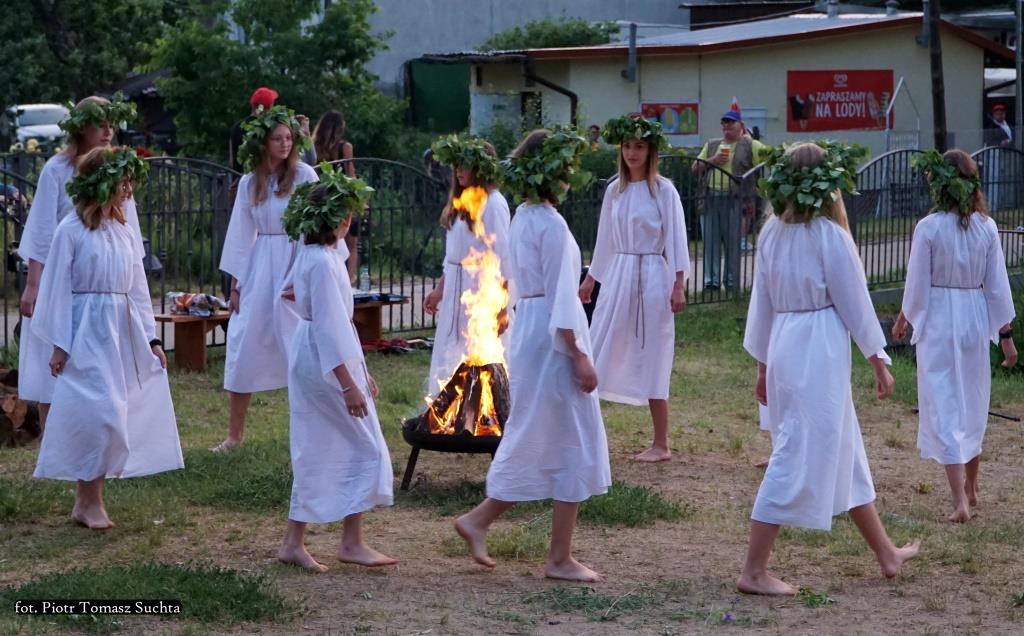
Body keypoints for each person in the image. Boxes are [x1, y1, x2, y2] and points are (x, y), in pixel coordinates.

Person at [739, 141, 920, 595]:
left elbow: (762, 306)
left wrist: (763, 365)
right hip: (815, 348)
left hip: (785, 342)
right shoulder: (828, 235)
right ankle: (753, 571)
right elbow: (854, 300)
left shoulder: (771, 233)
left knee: (844, 449)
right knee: (794, 451)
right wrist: (878, 359)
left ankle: (886, 553)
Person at [454, 127, 611, 583]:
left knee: (545, 432)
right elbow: (563, 298)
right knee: (571, 437)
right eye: (567, 168)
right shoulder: (551, 224)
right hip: (551, 338)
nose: (570, 177)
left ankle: (482, 521)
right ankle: (557, 558)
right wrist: (578, 354)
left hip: (531, 331)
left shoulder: (524, 216)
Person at [31, 146, 183, 529]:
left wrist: (151, 339)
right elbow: (57, 288)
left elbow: (138, 289)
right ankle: (89, 501)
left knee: (117, 412)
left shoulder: (124, 232)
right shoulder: (71, 231)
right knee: (100, 413)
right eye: (122, 182)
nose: (128, 190)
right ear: (101, 182)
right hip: (85, 330)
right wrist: (60, 344)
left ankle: (88, 500)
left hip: (119, 330)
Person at [276, 166, 395, 572]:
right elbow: (330, 327)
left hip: (315, 353)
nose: (351, 221)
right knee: (365, 447)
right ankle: (350, 542)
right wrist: (349, 384)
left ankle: (299, 542)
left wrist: (361, 370)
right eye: (348, 215)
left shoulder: (315, 256)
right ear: (337, 219)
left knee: (320, 444)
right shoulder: (324, 264)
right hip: (326, 360)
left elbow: (310, 305)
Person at [893, 149, 1017, 523]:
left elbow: (917, 285)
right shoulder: (987, 227)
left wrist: (904, 318)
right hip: (974, 317)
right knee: (972, 399)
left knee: (944, 401)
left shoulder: (929, 227)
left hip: (940, 319)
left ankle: (960, 500)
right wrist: (1006, 335)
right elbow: (997, 286)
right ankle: (972, 488)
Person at [18, 95, 139, 433]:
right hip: (60, 276)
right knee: (51, 363)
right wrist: (33, 284)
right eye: (100, 124)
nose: (108, 131)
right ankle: (50, 439)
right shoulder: (57, 169)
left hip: (99, 275)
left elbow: (126, 224)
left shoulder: (116, 169)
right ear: (81, 127)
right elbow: (42, 227)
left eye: (111, 125)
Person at [579, 115, 688, 463]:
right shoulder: (615, 190)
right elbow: (605, 240)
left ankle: (661, 443)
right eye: (627, 146)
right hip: (619, 274)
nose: (632, 153)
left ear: (650, 150)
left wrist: (678, 283)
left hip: (653, 276)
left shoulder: (664, 190)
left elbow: (677, 238)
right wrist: (591, 278)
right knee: (599, 345)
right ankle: (583, 432)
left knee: (654, 353)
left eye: (639, 146)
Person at [214, 105, 318, 452]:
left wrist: (304, 278)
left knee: (302, 347)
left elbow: (316, 227)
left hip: (295, 260)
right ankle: (234, 435)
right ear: (263, 143)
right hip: (260, 266)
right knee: (243, 341)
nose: (285, 144)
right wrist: (236, 284)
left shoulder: (304, 176)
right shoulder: (249, 182)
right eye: (277, 138)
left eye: (289, 138)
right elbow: (241, 234)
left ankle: (312, 429)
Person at [423, 134, 511, 395]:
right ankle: (451, 404)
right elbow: (453, 256)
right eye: (456, 166)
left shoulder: (493, 203)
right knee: (452, 350)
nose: (459, 171)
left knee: (478, 351)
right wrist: (440, 290)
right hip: (455, 290)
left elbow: (503, 258)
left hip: (480, 289)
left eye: (465, 166)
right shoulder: (459, 203)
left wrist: (502, 308)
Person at [694, 108, 765, 290]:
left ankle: (732, 282)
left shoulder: (751, 145)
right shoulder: (712, 144)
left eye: (731, 122)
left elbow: (766, 160)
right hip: (709, 198)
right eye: (724, 122)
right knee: (710, 242)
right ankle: (711, 282)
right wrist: (713, 160)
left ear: (741, 125)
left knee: (733, 243)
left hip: (736, 200)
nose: (727, 125)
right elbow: (695, 167)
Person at [311, 110, 359, 281]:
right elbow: (350, 174)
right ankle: (348, 279)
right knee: (352, 244)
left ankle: (330, 276)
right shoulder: (345, 147)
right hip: (342, 198)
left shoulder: (314, 147)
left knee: (326, 242)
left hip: (320, 198)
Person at [229, 87, 278, 173]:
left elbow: (231, 161)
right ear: (269, 107)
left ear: (252, 104)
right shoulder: (267, 128)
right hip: (261, 178)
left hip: (238, 177)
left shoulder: (236, 127)